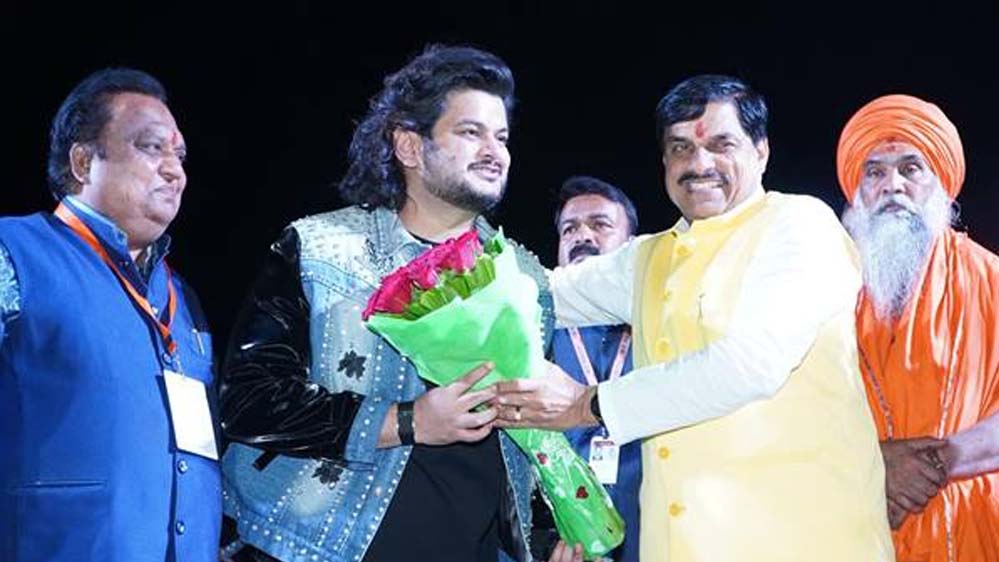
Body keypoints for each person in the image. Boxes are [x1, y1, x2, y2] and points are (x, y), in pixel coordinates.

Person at [495, 74, 894, 561]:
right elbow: (539, 294)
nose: (699, 164)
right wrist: (441, 263)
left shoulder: (799, 226)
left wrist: (588, 404)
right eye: (680, 148)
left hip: (802, 543)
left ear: (761, 152)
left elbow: (750, 365)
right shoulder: (647, 258)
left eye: (722, 144)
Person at [218, 45, 557, 562]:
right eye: (471, 132)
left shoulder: (526, 279)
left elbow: (528, 443)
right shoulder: (320, 249)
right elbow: (248, 400)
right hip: (308, 549)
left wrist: (550, 537)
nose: (495, 151)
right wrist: (405, 421)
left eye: (502, 137)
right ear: (409, 146)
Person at [0, 68, 220, 561]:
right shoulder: (13, 252)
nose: (175, 170)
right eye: (151, 147)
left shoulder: (181, 297)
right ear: (83, 161)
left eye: (180, 155)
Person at [837, 94, 999, 562]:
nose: (893, 186)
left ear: (941, 184)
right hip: (855, 523)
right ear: (857, 193)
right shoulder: (825, 285)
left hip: (974, 527)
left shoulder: (991, 280)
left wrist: (939, 461)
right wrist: (873, 464)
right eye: (874, 172)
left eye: (911, 169)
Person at [532, 175, 640, 562]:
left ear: (631, 245)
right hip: (565, 547)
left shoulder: (658, 325)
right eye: (570, 228)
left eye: (600, 224)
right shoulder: (534, 333)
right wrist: (541, 545)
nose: (582, 236)